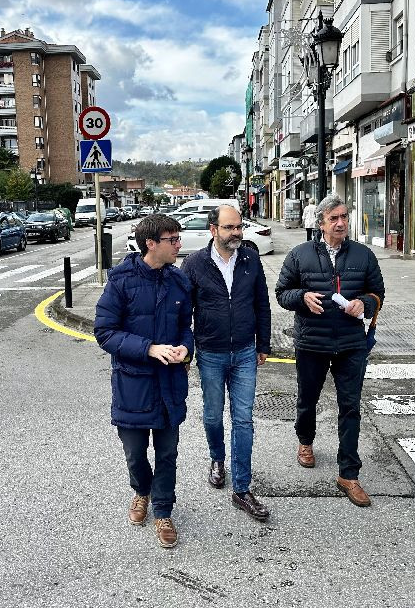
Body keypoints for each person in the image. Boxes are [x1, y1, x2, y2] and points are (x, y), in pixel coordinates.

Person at [275, 193, 384, 507]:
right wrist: (302, 297)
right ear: (320, 223)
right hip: (313, 342)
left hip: (351, 343)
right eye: (333, 218)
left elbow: (378, 292)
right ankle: (305, 440)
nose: (340, 223)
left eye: (344, 217)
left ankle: (349, 473)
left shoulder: (364, 255)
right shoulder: (299, 254)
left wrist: (365, 303)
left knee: (350, 407)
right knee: (307, 399)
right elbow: (282, 293)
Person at [94, 214, 194, 549]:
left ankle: (163, 510)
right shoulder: (121, 281)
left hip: (169, 384)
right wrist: (149, 348)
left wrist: (186, 349)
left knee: (167, 453)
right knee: (135, 453)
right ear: (151, 243)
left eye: (178, 238)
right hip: (133, 386)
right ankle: (141, 491)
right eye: (172, 240)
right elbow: (105, 332)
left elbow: (185, 328)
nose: (178, 245)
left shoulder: (179, 281)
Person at [181, 206, 272, 522]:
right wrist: (187, 351)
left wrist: (264, 344)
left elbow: (262, 303)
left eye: (239, 227)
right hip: (210, 352)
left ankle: (242, 489)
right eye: (230, 227)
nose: (236, 233)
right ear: (213, 230)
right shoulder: (194, 264)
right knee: (212, 414)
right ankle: (217, 458)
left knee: (243, 419)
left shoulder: (250, 259)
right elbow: (183, 313)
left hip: (245, 351)